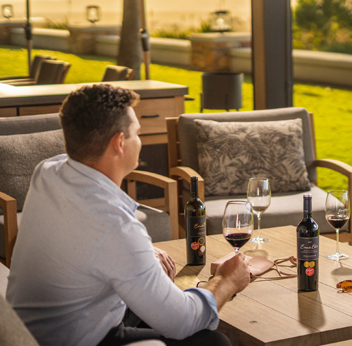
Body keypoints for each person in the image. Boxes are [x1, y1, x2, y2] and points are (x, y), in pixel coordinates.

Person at [6, 84, 250, 346]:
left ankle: (194, 294)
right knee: (213, 342)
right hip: (73, 340)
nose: (140, 140)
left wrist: (137, 252)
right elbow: (183, 323)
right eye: (137, 133)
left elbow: (89, 241)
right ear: (119, 143)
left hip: (28, 329)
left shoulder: (47, 172)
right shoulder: (113, 224)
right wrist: (227, 281)